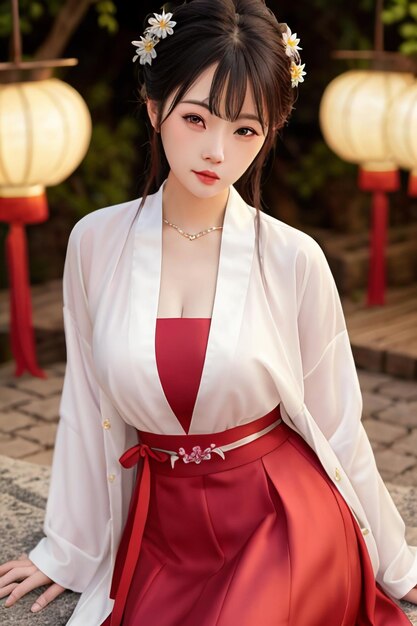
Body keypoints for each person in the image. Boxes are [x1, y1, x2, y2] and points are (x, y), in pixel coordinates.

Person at [1, 0, 417, 624]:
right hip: (164, 525)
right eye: (196, 119)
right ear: (153, 108)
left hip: (281, 514)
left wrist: (397, 563)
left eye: (245, 130)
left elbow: (337, 424)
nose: (216, 152)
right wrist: (68, 549)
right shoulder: (95, 242)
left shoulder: (293, 258)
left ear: (269, 132)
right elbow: (87, 407)